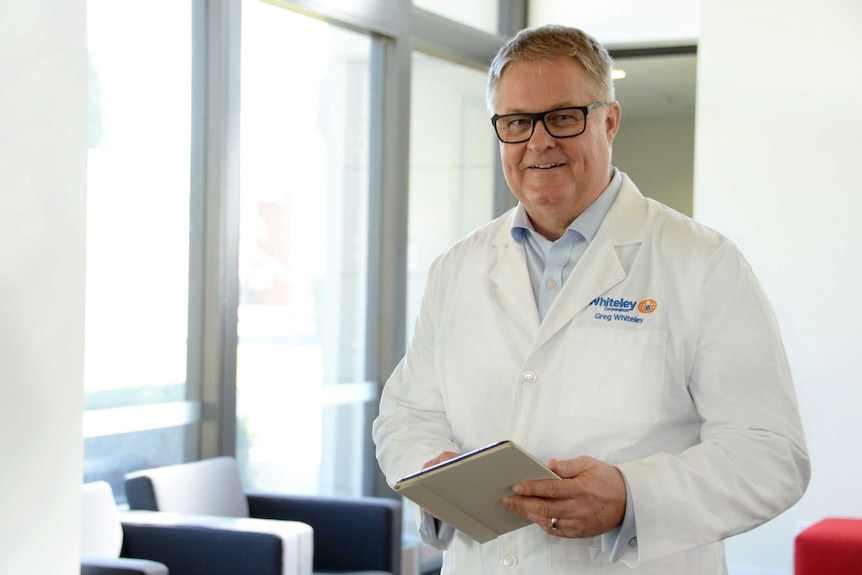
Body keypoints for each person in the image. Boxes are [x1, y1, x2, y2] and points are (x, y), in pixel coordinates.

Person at [372, 24, 809, 574]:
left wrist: (631, 496)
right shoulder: (456, 269)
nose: (538, 142)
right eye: (515, 123)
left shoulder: (702, 263)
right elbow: (406, 415)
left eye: (562, 117)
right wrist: (441, 478)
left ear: (609, 120)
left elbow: (771, 455)